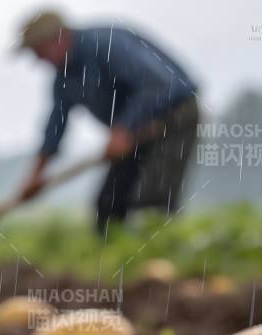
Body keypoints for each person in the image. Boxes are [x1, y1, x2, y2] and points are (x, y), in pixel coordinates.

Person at [14, 9, 200, 233]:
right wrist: (36, 177)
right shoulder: (64, 77)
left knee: (152, 201)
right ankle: (113, 261)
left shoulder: (106, 44)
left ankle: (160, 260)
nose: (38, 60)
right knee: (108, 205)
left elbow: (158, 86)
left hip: (173, 119)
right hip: (132, 133)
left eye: (38, 51)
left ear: (59, 37)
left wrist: (123, 129)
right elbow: (56, 126)